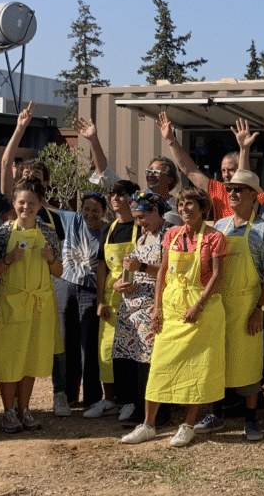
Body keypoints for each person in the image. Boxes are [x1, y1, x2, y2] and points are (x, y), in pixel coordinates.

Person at [123, 186, 227, 446]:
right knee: (159, 364)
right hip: (171, 307)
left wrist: (199, 305)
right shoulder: (172, 234)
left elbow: (216, 275)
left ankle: (188, 424)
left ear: (203, 208)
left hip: (201, 309)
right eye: (181, 205)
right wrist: (156, 308)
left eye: (191, 205)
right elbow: (162, 272)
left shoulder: (215, 238)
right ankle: (148, 424)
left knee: (197, 367)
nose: (185, 210)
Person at [191, 168, 264, 444]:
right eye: (229, 189)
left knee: (249, 363)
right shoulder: (219, 227)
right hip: (219, 305)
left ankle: (251, 420)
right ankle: (215, 414)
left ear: (254, 195)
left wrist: (259, 310)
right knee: (217, 360)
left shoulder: (263, 229)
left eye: (239, 189)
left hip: (247, 304)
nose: (233, 194)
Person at [0, 179, 64, 434]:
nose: (26, 207)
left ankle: (25, 410)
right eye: (21, 202)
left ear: (40, 205)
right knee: (10, 360)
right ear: (14, 204)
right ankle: (8, 411)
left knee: (31, 360)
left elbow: (59, 271)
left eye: (31, 203)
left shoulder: (49, 232)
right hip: (11, 305)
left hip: (38, 306)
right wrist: (8, 259)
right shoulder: (2, 233)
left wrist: (51, 258)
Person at [111, 191, 168, 426]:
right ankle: (133, 405)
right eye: (135, 218)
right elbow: (131, 269)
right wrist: (119, 283)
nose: (139, 222)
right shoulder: (143, 237)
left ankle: (157, 411)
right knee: (128, 358)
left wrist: (142, 266)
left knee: (148, 359)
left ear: (155, 211)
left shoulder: (169, 234)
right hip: (131, 305)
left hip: (152, 304)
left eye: (142, 217)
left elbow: (168, 269)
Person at [86, 179, 139, 418]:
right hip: (109, 299)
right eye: (112, 194)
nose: (115, 199)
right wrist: (100, 301)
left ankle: (130, 400)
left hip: (134, 297)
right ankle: (109, 399)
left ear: (132, 198)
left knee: (131, 350)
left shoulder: (140, 228)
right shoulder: (107, 230)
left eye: (121, 194)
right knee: (105, 349)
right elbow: (101, 268)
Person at [77, 115, 184, 226]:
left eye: (156, 172)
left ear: (170, 179)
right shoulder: (135, 197)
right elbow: (105, 173)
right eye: (149, 171)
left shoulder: (179, 206)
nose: (150, 174)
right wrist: (93, 140)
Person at [58, 191, 110, 412]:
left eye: (95, 210)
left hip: (91, 291)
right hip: (68, 287)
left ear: (104, 212)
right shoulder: (72, 219)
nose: (90, 214)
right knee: (68, 343)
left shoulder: (107, 231)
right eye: (86, 209)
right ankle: (69, 395)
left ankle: (92, 397)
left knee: (88, 347)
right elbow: (43, 208)